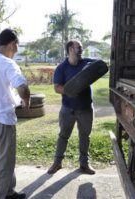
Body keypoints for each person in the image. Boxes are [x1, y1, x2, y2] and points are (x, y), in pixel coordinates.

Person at [0, 28, 30, 199]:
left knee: (4, 159)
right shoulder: (7, 63)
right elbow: (22, 87)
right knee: (4, 162)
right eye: (17, 46)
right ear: (12, 44)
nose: (17, 50)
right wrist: (27, 101)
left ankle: (8, 192)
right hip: (2, 120)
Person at [47, 40, 96, 175]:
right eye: (78, 47)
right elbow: (57, 88)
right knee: (63, 136)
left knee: (85, 136)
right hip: (67, 109)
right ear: (70, 49)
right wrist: (70, 91)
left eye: (81, 48)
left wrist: (92, 68)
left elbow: (100, 66)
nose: (81, 50)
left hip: (85, 108)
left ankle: (84, 164)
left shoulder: (86, 63)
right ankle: (57, 163)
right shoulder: (61, 68)